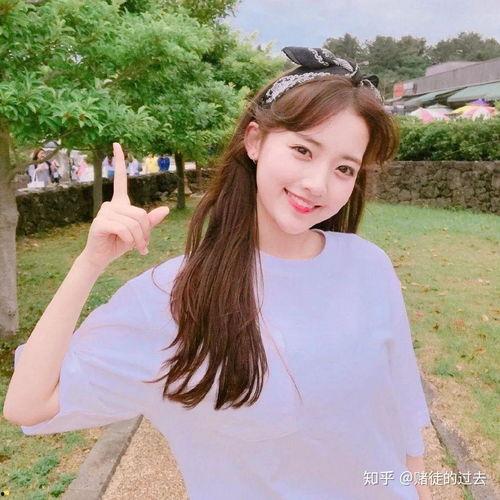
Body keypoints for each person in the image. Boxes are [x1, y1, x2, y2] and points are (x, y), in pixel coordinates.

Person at [4, 46, 433, 500]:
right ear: (255, 141)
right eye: (303, 150)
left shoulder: (368, 265)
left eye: (344, 168)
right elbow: (28, 405)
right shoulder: (175, 298)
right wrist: (89, 263)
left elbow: (403, 411)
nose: (318, 184)